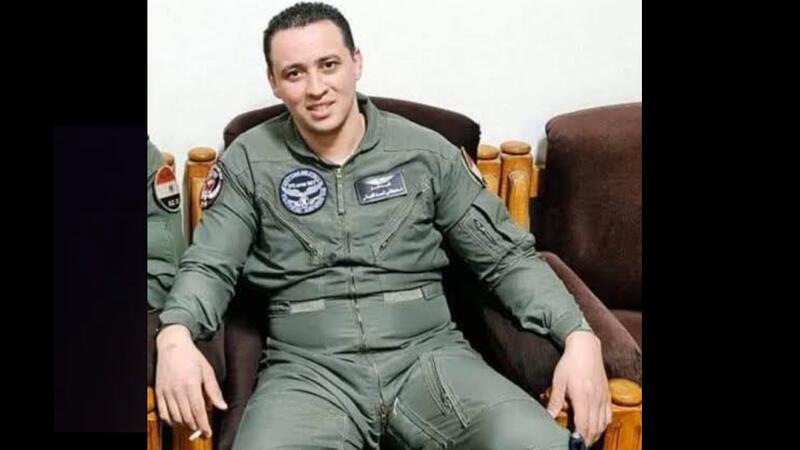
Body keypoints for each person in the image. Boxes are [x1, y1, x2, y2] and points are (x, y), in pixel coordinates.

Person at [155, 3, 610, 449]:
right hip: (307, 372)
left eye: (328, 65)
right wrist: (176, 334)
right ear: (274, 82)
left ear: (356, 62)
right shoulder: (249, 162)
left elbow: (507, 259)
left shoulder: (426, 152)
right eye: (294, 73)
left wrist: (577, 334)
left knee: (533, 441)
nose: (316, 88)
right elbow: (210, 265)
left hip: (430, 357)